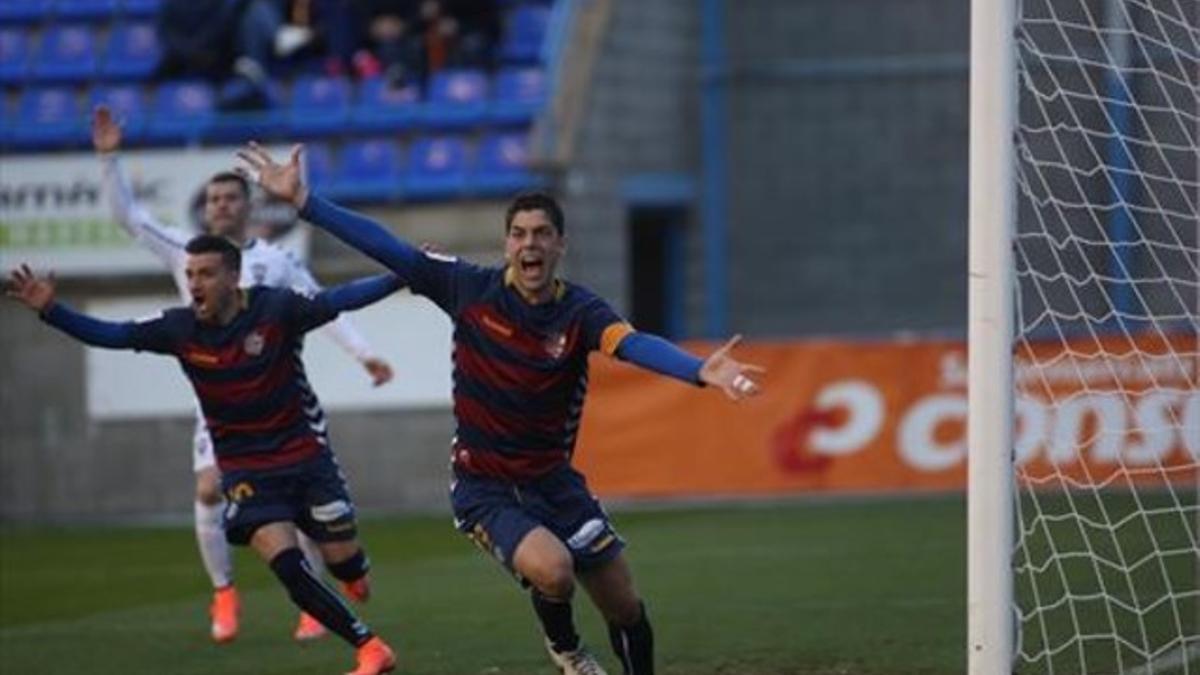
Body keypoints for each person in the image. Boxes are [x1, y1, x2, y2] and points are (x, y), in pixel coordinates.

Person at [239, 142, 764, 675]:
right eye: (519, 234)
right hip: (484, 488)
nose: (529, 244)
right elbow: (386, 248)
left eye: (541, 234)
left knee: (623, 603)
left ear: (560, 244)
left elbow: (632, 344)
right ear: (507, 243)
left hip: (555, 483)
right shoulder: (467, 287)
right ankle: (568, 652)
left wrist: (698, 370)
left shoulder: (580, 311)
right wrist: (305, 200)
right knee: (554, 571)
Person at [6, 236, 399, 675]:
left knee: (343, 559)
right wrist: (51, 310)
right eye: (190, 274)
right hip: (246, 468)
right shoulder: (178, 328)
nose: (195, 283)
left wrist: (401, 274)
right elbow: (113, 335)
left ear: (233, 277)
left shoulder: (275, 309)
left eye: (206, 273)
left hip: (306, 458)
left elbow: (339, 299)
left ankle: (351, 571)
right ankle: (369, 648)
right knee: (288, 566)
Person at [92, 106, 396, 644]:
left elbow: (321, 305)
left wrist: (364, 354)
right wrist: (110, 157)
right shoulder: (186, 254)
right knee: (209, 489)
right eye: (211, 199)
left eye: (230, 197)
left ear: (248, 205)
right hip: (219, 404)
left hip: (276, 401)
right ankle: (224, 593)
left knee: (302, 507)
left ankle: (320, 597)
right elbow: (128, 218)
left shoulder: (275, 261)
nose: (220, 205)